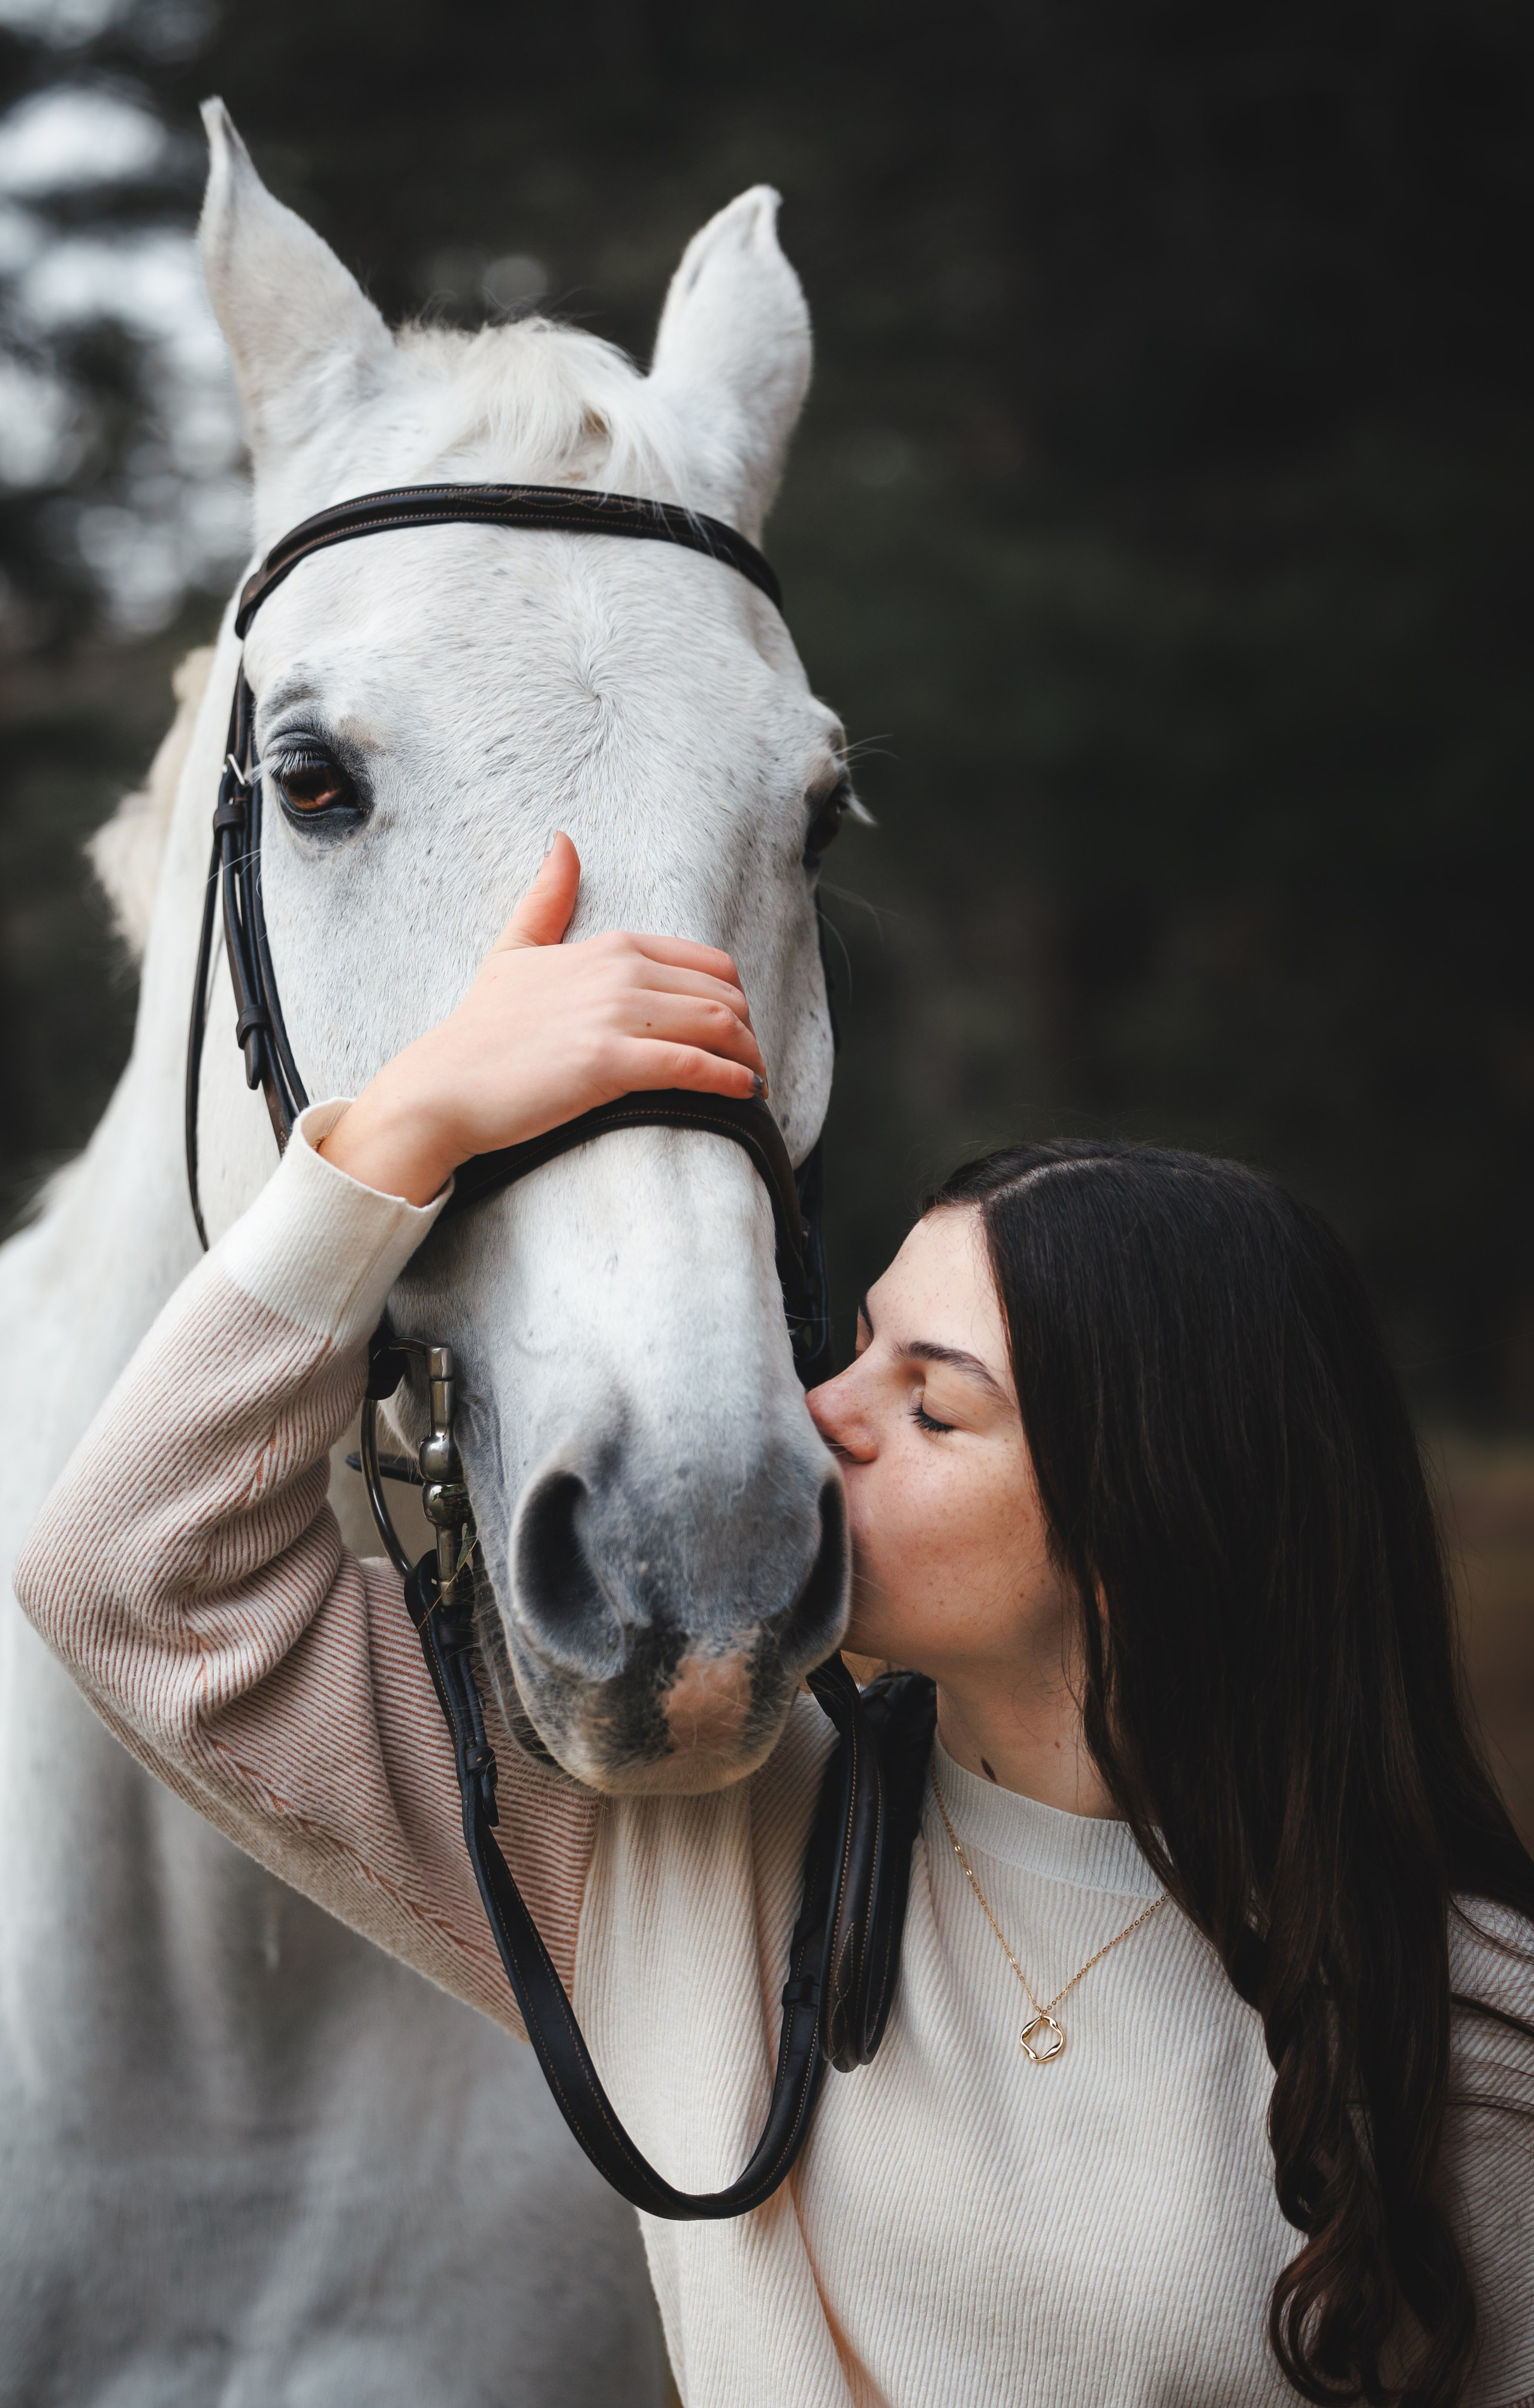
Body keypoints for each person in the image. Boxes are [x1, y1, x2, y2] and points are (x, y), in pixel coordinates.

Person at [15, 836, 1534, 2408]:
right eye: (859, 1345)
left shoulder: (1478, 2041)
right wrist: (408, 1126)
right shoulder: (673, 1846)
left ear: (1151, 1526)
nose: (821, 1416)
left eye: (931, 1407)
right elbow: (130, 1570)